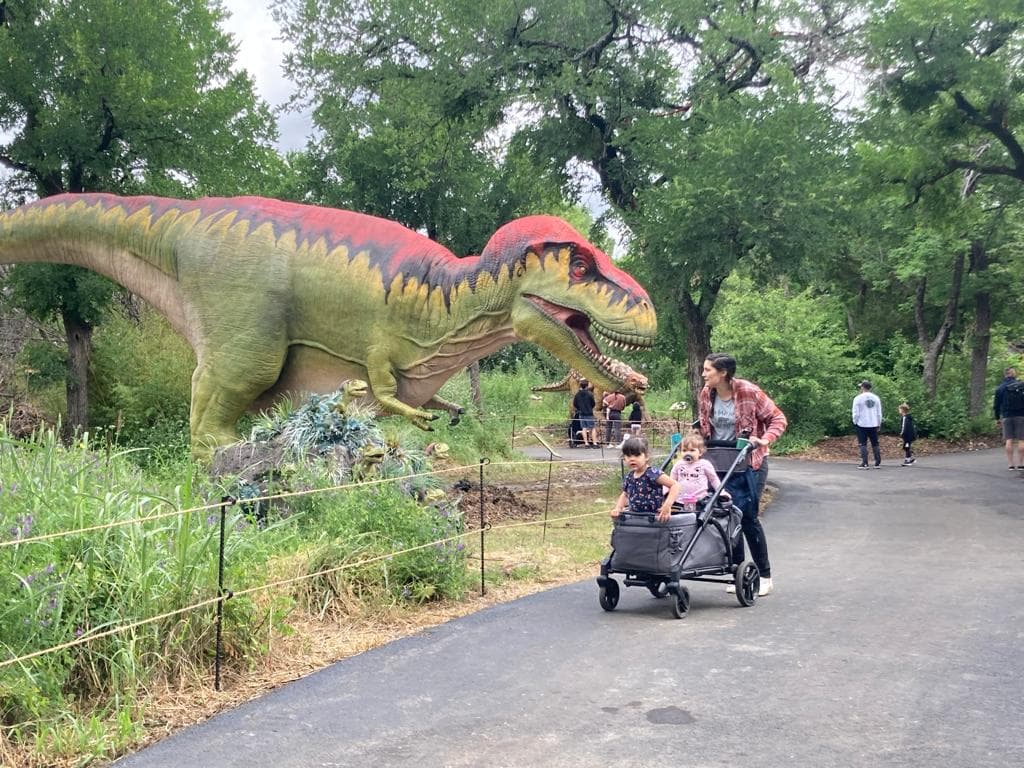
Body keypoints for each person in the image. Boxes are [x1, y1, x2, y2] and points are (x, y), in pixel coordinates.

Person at [696, 353, 786, 596]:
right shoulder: (706, 393)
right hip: (719, 463)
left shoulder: (749, 391)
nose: (703, 374)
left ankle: (764, 575)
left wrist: (764, 439)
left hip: (750, 463)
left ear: (723, 373)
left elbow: (778, 418)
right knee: (727, 516)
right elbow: (705, 426)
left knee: (747, 518)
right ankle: (740, 572)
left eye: (708, 370)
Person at [610, 436, 680, 522]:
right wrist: (618, 508)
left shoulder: (653, 473)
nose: (632, 459)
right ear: (624, 458)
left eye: (637, 455)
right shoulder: (629, 476)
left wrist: (667, 505)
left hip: (654, 519)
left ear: (646, 456)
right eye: (628, 455)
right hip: (635, 518)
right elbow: (625, 494)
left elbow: (675, 485)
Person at [669, 432, 725, 511]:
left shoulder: (704, 464)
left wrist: (721, 492)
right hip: (680, 500)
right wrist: (667, 493)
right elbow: (671, 480)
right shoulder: (679, 464)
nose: (688, 453)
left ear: (700, 452)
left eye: (692, 450)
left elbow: (714, 479)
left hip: (699, 501)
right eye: (684, 450)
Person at [994, 366, 1024, 469]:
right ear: (1013, 373)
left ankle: (1011, 464)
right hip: (1021, 415)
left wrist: (997, 418)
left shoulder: (1000, 388)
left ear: (1005, 374)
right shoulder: (1021, 385)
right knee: (1021, 439)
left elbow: (996, 405)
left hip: (1006, 416)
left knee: (1009, 440)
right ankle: (1021, 464)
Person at [852, 379, 883, 469]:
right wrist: (879, 423)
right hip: (873, 423)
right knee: (875, 443)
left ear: (862, 387)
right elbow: (879, 412)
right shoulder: (876, 398)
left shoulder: (858, 398)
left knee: (862, 443)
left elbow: (855, 413)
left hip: (862, 423)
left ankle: (865, 463)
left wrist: (855, 421)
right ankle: (878, 462)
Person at [571, 379, 598, 447]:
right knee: (592, 428)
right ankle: (594, 443)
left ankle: (586, 443)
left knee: (584, 428)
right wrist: (590, 407)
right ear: (587, 385)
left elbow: (575, 404)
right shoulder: (590, 394)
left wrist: (580, 408)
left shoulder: (577, 394)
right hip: (589, 413)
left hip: (581, 413)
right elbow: (593, 403)